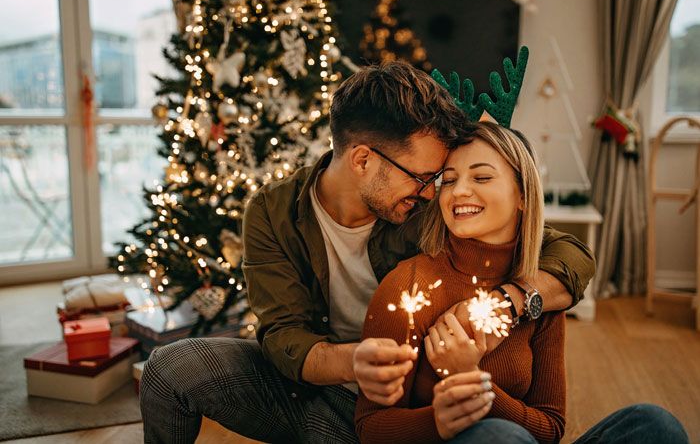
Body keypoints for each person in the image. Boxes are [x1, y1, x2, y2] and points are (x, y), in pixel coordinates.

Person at [139, 61, 596, 443]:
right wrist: (352, 360)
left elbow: (568, 254)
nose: (434, 191)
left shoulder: (427, 207)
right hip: (307, 386)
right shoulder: (272, 211)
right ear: (362, 160)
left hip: (394, 407)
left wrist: (510, 301)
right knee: (167, 368)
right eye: (423, 177)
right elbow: (280, 336)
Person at [355, 122, 688, 444]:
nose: (459, 191)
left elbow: (550, 429)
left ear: (524, 197)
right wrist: (437, 423)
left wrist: (473, 381)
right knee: (500, 437)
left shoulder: (540, 288)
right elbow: (371, 426)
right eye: (449, 180)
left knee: (656, 426)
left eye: (482, 177)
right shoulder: (409, 285)